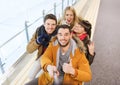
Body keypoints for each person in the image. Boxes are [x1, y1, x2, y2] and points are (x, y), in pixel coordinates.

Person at [25, 24, 92, 85]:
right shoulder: (53, 45)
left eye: (66, 34)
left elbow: (88, 76)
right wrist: (49, 67)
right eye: (60, 34)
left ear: (70, 35)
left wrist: (73, 71)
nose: (63, 38)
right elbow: (45, 57)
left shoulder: (79, 52)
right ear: (57, 35)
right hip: (50, 79)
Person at [26, 14, 57, 80]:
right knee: (30, 76)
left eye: (53, 24)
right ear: (44, 24)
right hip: (42, 56)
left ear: (56, 25)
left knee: (39, 78)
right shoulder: (39, 32)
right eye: (48, 24)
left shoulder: (59, 34)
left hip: (53, 60)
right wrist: (37, 42)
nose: (50, 27)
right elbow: (29, 50)